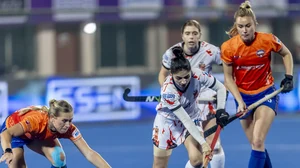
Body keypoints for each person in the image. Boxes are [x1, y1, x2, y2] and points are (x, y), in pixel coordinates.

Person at [221, 1, 294, 168]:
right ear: (236, 27)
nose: (244, 30)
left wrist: (289, 76)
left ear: (255, 24)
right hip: (243, 97)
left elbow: (286, 53)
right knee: (256, 146)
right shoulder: (228, 47)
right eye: (240, 26)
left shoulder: (267, 40)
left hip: (266, 93)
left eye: (248, 25)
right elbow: (228, 79)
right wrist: (239, 102)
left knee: (258, 139)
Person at [158, 19, 226, 168]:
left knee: (214, 146)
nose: (191, 37)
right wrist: (169, 94)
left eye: (195, 33)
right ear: (182, 35)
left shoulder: (211, 51)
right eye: (188, 33)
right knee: (196, 159)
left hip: (206, 102)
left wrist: (227, 90)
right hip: (185, 106)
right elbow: (162, 75)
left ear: (200, 35)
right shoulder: (171, 53)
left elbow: (229, 69)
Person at [0, 99, 111, 168]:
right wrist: (8, 151)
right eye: (64, 121)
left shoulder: (69, 129)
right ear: (52, 118)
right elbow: (6, 134)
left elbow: (89, 153)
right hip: (15, 134)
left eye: (70, 120)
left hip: (36, 134)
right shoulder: (36, 121)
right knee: (17, 162)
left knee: (58, 157)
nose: (68, 125)